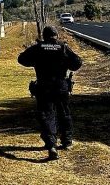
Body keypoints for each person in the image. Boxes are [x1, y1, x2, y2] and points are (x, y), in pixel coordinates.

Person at [18, 25, 82, 161]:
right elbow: (77, 63)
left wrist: (36, 62)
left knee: (47, 115)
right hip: (61, 85)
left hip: (44, 85)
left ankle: (51, 144)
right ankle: (67, 141)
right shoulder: (63, 47)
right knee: (64, 113)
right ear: (56, 35)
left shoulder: (38, 48)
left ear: (44, 35)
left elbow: (21, 59)